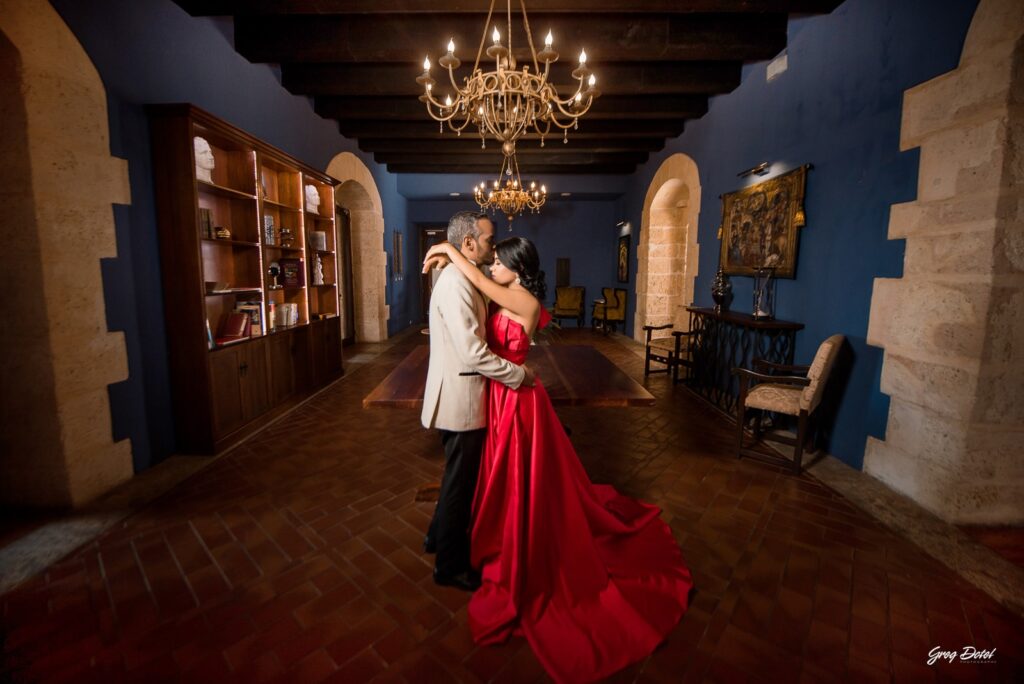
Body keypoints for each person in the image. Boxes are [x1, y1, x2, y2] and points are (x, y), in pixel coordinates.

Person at [423, 236, 693, 684]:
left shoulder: (520, 298)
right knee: (499, 476)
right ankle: (492, 534)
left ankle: (517, 540)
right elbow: (469, 298)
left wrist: (450, 251)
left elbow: (473, 278)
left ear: (517, 267)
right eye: (491, 260)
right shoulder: (506, 292)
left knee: (519, 479)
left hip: (517, 400)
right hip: (500, 392)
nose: (491, 265)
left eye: (498, 261)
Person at [421, 211, 534, 592]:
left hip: (462, 393)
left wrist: (446, 252)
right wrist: (519, 376)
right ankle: (449, 567)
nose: (493, 244)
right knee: (459, 485)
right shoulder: (456, 284)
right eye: (488, 239)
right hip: (463, 396)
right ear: (469, 243)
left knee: (454, 477)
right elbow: (472, 353)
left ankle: (437, 537)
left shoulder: (462, 275)